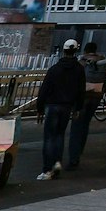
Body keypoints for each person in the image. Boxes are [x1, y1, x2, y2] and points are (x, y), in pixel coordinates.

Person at [36, 39, 86, 181]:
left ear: (63, 51)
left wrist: (40, 108)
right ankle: (57, 162)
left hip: (52, 105)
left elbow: (44, 89)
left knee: (49, 137)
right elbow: (81, 90)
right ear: (76, 51)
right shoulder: (79, 70)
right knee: (59, 135)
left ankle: (47, 168)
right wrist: (78, 107)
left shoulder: (54, 69)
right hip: (67, 106)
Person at [67, 41, 106, 170]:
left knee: (76, 126)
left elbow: (74, 80)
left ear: (85, 50)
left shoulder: (82, 62)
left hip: (82, 98)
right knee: (85, 125)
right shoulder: (103, 63)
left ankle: (74, 157)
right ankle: (79, 151)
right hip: (96, 97)